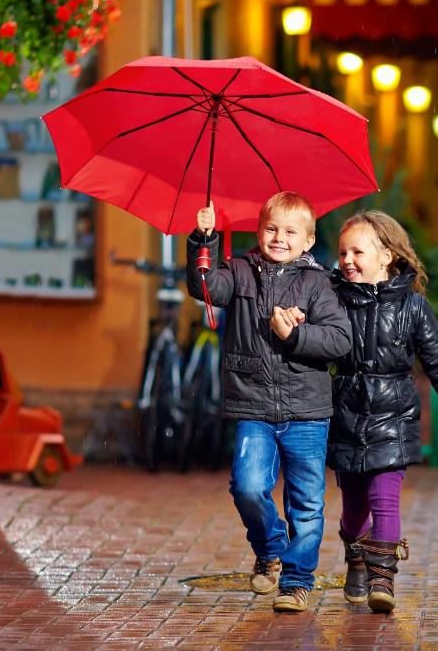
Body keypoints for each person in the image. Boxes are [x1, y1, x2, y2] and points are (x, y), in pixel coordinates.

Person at [186, 192, 352, 613]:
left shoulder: (319, 283)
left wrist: (295, 336)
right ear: (258, 231)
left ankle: (296, 581)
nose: (279, 238)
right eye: (271, 228)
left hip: (307, 411)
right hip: (253, 405)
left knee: (308, 503)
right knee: (247, 486)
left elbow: (338, 340)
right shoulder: (240, 270)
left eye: (290, 231)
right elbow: (205, 286)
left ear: (309, 241)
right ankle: (270, 547)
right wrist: (202, 241)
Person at [329, 210, 438, 614]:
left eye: (358, 251)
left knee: (385, 498)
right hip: (346, 414)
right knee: (353, 509)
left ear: (386, 255)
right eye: (343, 252)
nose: (347, 260)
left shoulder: (412, 307)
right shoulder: (332, 301)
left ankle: (382, 576)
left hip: (394, 417)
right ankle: (357, 556)